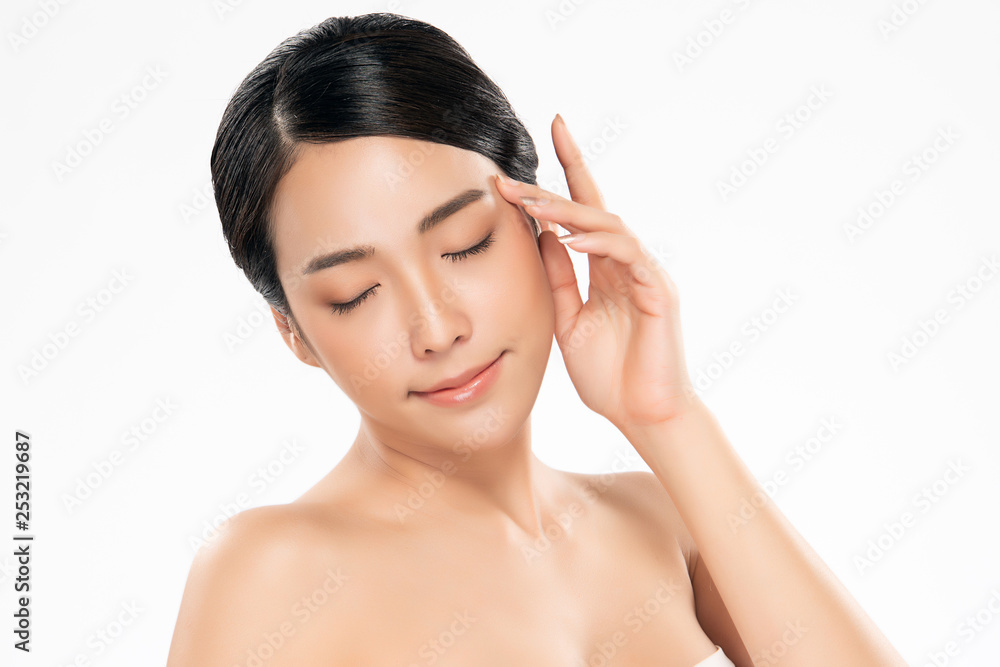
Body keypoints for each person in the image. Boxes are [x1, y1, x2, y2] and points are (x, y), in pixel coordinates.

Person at [166, 12, 906, 666]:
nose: (437, 328)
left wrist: (668, 417)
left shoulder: (665, 521)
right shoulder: (272, 575)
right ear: (294, 332)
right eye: (355, 293)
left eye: (465, 243)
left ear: (538, 220)